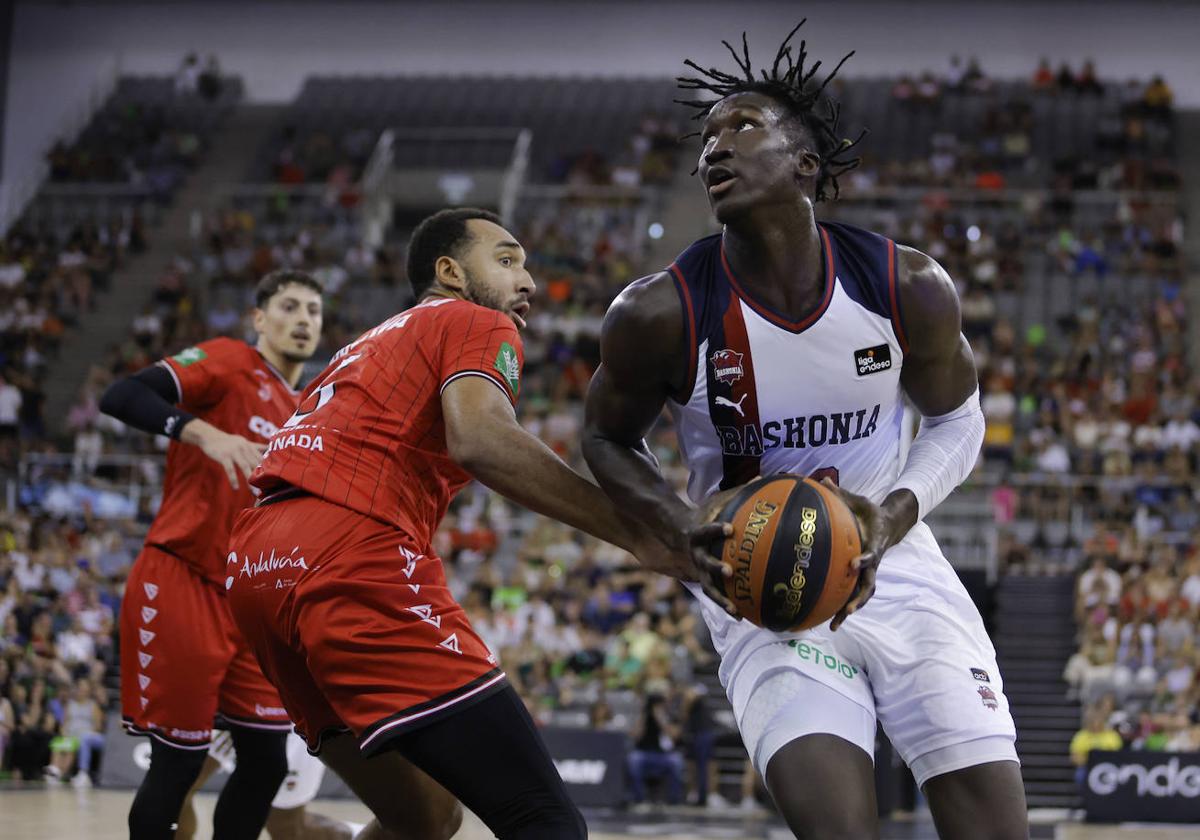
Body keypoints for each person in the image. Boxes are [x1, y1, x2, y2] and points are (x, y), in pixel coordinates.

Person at [582, 23, 1028, 839]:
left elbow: (959, 421)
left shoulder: (905, 284)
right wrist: (684, 523)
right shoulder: (657, 311)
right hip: (757, 582)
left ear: (805, 165)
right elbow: (605, 439)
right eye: (707, 135)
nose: (714, 147)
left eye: (742, 126)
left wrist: (892, 515)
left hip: (898, 566)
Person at [224, 208, 717, 840]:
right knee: (544, 820)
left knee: (426, 818)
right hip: (345, 549)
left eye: (527, 264)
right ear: (450, 272)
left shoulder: (366, 344)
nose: (528, 281)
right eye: (507, 260)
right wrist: (638, 532)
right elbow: (481, 440)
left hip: (257, 570)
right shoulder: (472, 319)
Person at [99, 270, 329, 839]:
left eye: (314, 311)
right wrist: (201, 433)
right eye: (290, 306)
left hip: (249, 605)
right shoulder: (230, 362)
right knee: (178, 762)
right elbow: (122, 394)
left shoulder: (307, 409)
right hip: (183, 579)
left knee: (266, 762)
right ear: (259, 318)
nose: (303, 319)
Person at [176, 731, 363, 840]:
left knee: (285, 827)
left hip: (279, 703)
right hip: (223, 690)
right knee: (177, 792)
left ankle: (357, 834)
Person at [627, 693, 685, 806]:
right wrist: (643, 716)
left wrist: (660, 718)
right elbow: (635, 735)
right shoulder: (644, 716)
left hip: (663, 754)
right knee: (634, 760)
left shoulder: (670, 715)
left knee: (676, 761)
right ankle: (639, 799)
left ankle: (674, 800)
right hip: (644, 752)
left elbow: (675, 735)